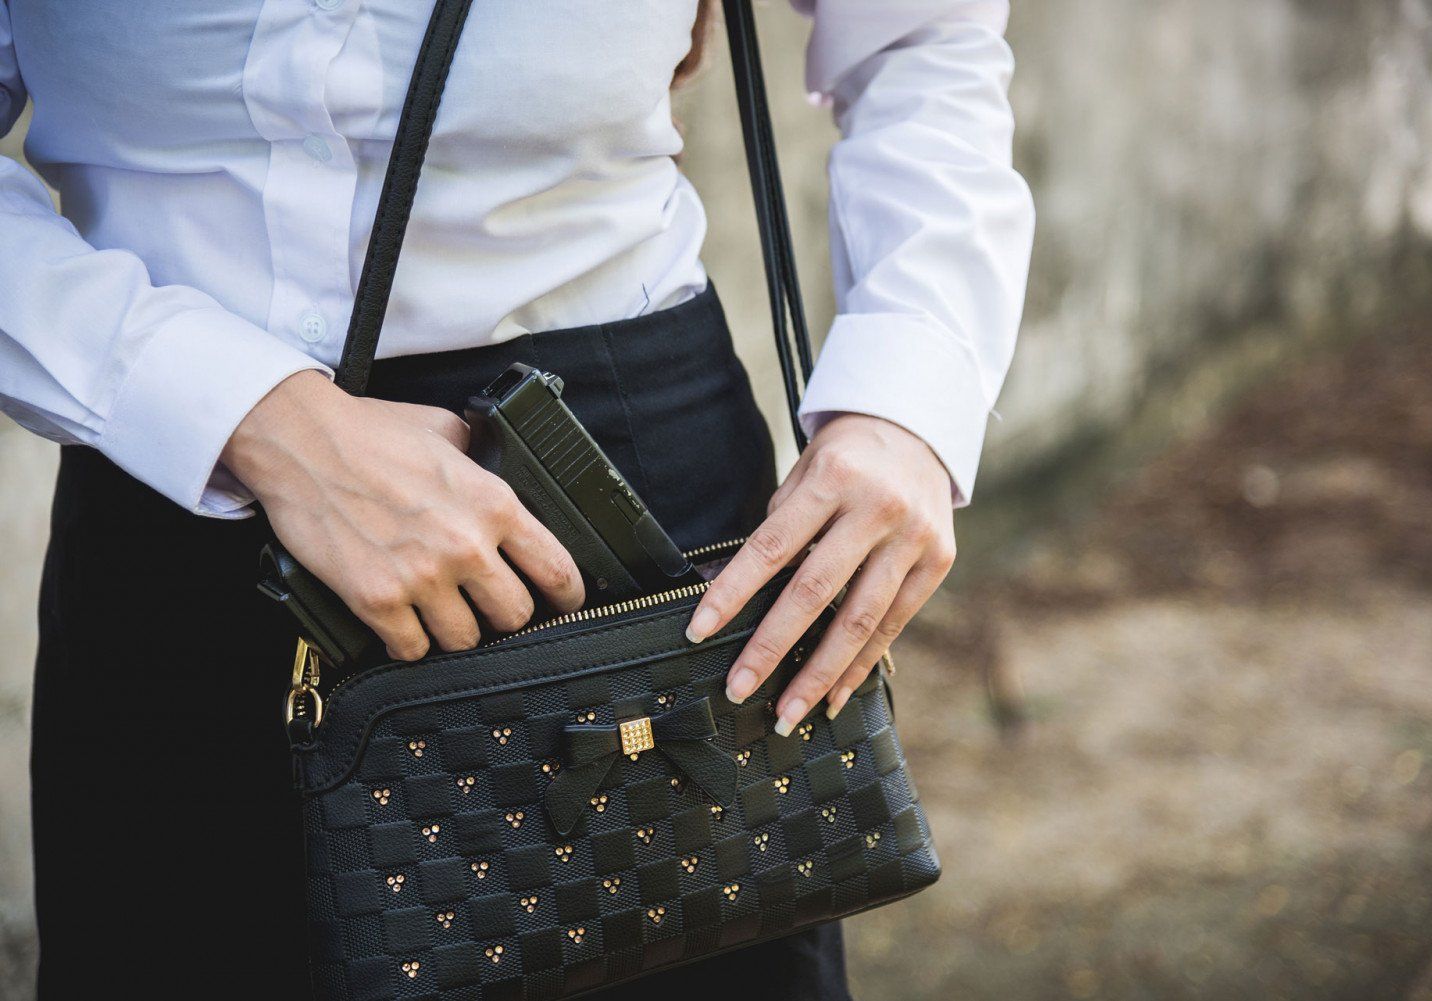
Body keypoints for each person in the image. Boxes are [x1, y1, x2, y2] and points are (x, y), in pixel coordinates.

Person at [0, 1, 1033, 997]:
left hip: (625, 510)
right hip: (183, 487)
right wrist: (243, 414)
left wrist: (908, 396)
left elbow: (920, 37)